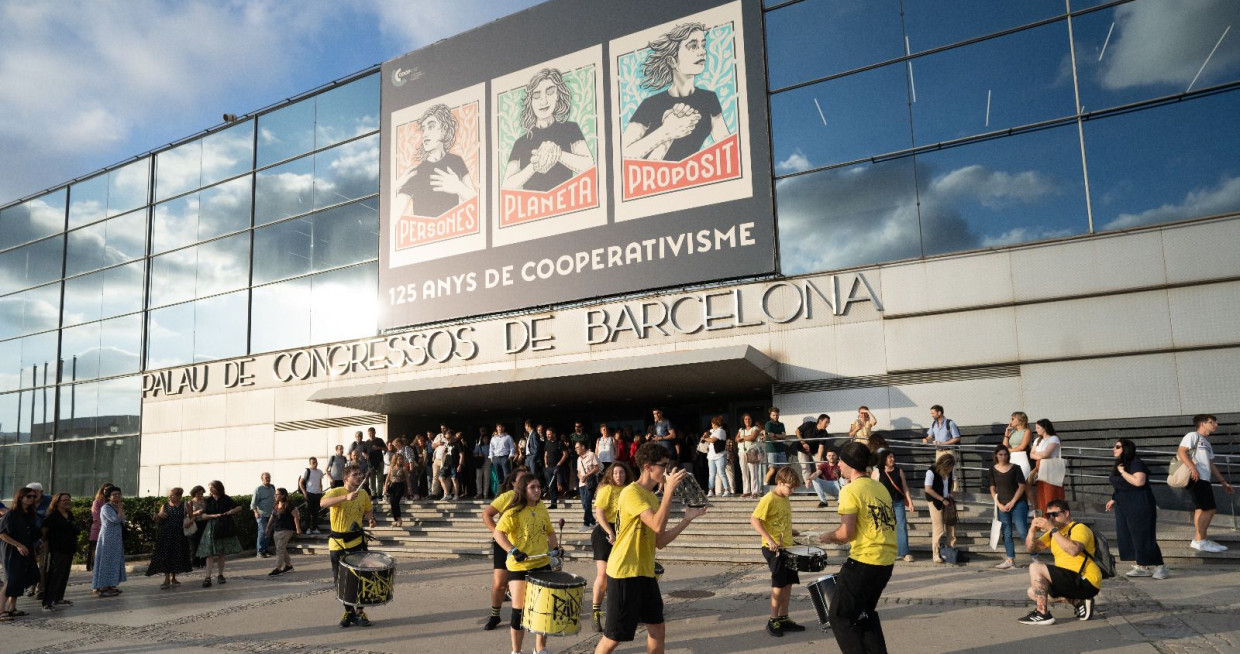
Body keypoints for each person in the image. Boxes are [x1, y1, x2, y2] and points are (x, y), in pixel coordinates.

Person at [594, 442, 706, 654]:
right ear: (647, 467)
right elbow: (656, 523)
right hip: (624, 572)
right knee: (614, 636)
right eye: (663, 465)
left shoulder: (651, 498)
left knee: (657, 628)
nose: (667, 470)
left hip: (645, 572)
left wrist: (686, 520)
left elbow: (660, 541)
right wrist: (669, 491)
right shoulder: (631, 493)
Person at [818, 441, 897, 652]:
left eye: (841, 461)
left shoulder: (850, 490)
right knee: (864, 614)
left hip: (864, 561)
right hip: (885, 561)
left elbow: (846, 534)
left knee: (839, 617)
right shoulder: (879, 487)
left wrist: (827, 536)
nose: (838, 465)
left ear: (851, 464)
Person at [622, 21, 729, 162]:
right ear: (672, 61)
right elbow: (621, 155)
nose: (702, 51)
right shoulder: (651, 104)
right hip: (652, 177)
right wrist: (666, 132)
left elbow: (727, 148)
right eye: (693, 46)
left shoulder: (708, 99)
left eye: (703, 45)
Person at [494, 473, 559, 654]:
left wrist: (555, 548)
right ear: (523, 489)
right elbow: (498, 534)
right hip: (519, 567)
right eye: (533, 487)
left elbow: (550, 531)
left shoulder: (541, 508)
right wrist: (513, 550)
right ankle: (516, 651)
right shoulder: (513, 511)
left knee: (544, 610)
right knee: (519, 611)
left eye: (539, 487)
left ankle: (540, 648)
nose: (537, 490)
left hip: (542, 564)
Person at [502, 67, 594, 191]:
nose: (543, 100)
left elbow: (589, 165)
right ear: (530, 101)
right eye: (536, 95)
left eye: (550, 91)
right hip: (532, 206)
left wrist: (558, 153)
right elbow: (507, 185)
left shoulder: (570, 129)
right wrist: (534, 166)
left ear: (558, 95)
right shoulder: (521, 143)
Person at [1018, 499, 1100, 625]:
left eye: (1055, 515)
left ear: (1066, 513)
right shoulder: (1053, 532)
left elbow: (1074, 550)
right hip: (1068, 580)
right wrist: (1032, 530)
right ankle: (1078, 601)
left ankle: (1042, 613)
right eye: (1048, 515)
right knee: (1032, 592)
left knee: (1035, 567)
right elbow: (1031, 548)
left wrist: (1052, 529)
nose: (1051, 518)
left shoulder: (1078, 528)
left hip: (1085, 579)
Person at [751, 466, 807, 637]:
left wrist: (792, 531)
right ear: (780, 483)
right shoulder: (769, 498)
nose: (793, 491)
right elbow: (754, 520)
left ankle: (783, 617)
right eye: (790, 487)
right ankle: (773, 619)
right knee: (778, 584)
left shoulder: (785, 498)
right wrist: (769, 539)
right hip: (774, 549)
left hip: (788, 547)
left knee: (788, 583)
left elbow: (779, 521)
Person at [394, 103, 476, 218]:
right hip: (424, 233)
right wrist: (395, 185)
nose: (424, 134)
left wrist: (459, 188)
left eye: (431, 126)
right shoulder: (416, 172)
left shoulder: (456, 162)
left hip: (453, 230)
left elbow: (477, 203)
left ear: (444, 130)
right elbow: (394, 215)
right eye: (423, 129)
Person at [321, 464, 377, 628]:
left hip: (357, 540)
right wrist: (345, 498)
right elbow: (323, 503)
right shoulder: (336, 491)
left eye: (360, 474)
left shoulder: (363, 493)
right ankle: (348, 610)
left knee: (362, 577)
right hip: (337, 543)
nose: (359, 477)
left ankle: (359, 611)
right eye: (355, 475)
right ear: (346, 478)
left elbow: (368, 509)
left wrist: (370, 519)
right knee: (340, 579)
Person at [1107, 439, 1166, 578]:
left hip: (1139, 504)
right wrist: (1114, 498)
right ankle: (1142, 566)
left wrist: (1122, 472)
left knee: (1143, 535)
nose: (1113, 449)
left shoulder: (1136, 463)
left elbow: (1139, 482)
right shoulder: (1120, 464)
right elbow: (1121, 485)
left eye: (1117, 446)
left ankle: (1160, 566)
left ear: (1126, 448)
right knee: (1127, 535)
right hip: (1123, 504)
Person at [481, 469, 532, 631]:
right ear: (513, 483)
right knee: (499, 583)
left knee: (527, 582)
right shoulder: (508, 496)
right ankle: (495, 615)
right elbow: (487, 514)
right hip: (505, 544)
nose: (525, 482)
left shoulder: (533, 498)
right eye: (521, 479)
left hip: (525, 544)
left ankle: (525, 614)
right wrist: (497, 533)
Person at [1178, 414, 1234, 552]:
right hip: (1196, 478)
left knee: (1201, 509)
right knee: (1210, 509)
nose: (1215, 424)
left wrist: (1222, 482)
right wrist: (1192, 468)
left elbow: (1211, 464)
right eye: (1212, 422)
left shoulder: (1207, 443)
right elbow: (1181, 452)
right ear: (1202, 423)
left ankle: (1202, 539)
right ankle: (1200, 540)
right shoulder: (1192, 436)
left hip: (1204, 478)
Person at [591, 462, 633, 633]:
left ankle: (622, 612)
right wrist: (610, 532)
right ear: (610, 475)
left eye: (621, 473)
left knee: (623, 573)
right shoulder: (607, 489)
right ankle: (595, 612)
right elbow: (599, 513)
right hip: (604, 532)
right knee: (603, 574)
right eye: (615, 473)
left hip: (623, 532)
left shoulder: (630, 490)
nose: (618, 476)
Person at [1, 487, 41, 619]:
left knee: (20, 579)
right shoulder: (11, 514)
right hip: (13, 551)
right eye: (28, 496)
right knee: (11, 580)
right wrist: (18, 545)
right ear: (20, 497)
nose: (31, 499)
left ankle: (12, 607)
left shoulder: (29, 514)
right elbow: (2, 534)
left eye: (34, 496)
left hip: (27, 550)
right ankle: (1, 610)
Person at [989, 445, 1029, 570]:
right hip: (1002, 505)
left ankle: (1035, 556)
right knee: (1006, 533)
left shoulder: (1015, 468)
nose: (1003, 457)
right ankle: (1010, 559)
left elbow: (1022, 486)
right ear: (996, 455)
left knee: (1022, 531)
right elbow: (992, 488)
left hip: (1018, 503)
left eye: (1005, 454)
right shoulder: (992, 469)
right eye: (1000, 454)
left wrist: (1012, 502)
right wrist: (999, 504)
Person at [197, 481, 242, 587]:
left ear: (218, 488)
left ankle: (220, 575)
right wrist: (213, 516)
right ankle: (207, 577)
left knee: (221, 553)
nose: (210, 490)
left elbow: (239, 507)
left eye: (212, 487)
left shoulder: (226, 498)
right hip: (211, 527)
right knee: (209, 553)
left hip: (224, 526)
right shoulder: (208, 500)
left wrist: (231, 511)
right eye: (210, 488)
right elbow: (203, 516)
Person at [146, 487, 193, 589]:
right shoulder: (165, 505)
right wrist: (158, 515)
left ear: (179, 496)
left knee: (176, 556)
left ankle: (174, 578)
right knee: (165, 556)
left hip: (179, 534)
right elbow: (158, 519)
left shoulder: (185, 505)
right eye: (169, 495)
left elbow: (191, 516)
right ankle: (166, 578)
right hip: (166, 534)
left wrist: (190, 522)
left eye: (172, 495)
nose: (169, 497)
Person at [873, 449, 914, 563]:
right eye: (889, 457)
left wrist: (910, 502)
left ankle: (904, 552)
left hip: (898, 502)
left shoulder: (899, 471)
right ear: (884, 459)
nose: (892, 459)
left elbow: (905, 487)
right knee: (885, 528)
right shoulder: (878, 472)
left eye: (893, 457)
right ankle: (886, 552)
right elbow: (872, 489)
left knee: (901, 526)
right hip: (883, 504)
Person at [39, 492, 78, 610]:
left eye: (68, 499)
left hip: (69, 548)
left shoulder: (69, 514)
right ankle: (47, 602)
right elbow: (44, 531)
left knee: (64, 574)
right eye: (64, 500)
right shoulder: (52, 515)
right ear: (57, 502)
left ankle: (59, 598)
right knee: (54, 575)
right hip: (57, 549)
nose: (67, 502)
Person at [92, 486, 126, 597]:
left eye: (119, 494)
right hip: (107, 538)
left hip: (116, 538)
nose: (117, 496)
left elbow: (123, 520)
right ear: (109, 497)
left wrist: (120, 509)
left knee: (114, 561)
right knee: (105, 562)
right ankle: (102, 587)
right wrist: (120, 509)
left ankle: (111, 584)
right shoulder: (106, 508)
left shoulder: (116, 506)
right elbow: (115, 520)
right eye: (114, 494)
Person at [924, 454, 957, 564]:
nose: (950, 470)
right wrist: (942, 499)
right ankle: (936, 554)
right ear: (944, 465)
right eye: (949, 468)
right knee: (938, 528)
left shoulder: (951, 470)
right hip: (935, 501)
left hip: (946, 500)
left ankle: (950, 550)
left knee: (951, 524)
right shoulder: (931, 471)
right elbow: (928, 489)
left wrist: (950, 493)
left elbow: (952, 482)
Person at [1031, 419, 1065, 513]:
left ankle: (1054, 516)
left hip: (1051, 469)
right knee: (1041, 493)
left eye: (1038, 427)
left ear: (1045, 428)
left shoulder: (1053, 438)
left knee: (1051, 493)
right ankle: (1043, 516)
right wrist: (1040, 454)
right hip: (1040, 467)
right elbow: (1031, 454)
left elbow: (1046, 454)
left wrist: (1038, 454)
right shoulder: (1038, 440)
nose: (1036, 429)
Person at [266, 488, 301, 576]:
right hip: (277, 529)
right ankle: (288, 565)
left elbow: (295, 516)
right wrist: (267, 527)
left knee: (280, 549)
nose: (275, 496)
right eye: (275, 495)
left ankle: (278, 568)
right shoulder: (276, 505)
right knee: (281, 548)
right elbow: (272, 516)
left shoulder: (288, 505)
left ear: (283, 495)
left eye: (277, 494)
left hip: (286, 529)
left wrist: (297, 528)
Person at [86, 482, 113, 572]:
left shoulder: (113, 503)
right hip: (98, 528)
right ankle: (91, 565)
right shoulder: (97, 502)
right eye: (105, 490)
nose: (107, 492)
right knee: (94, 548)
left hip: (110, 530)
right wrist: (103, 525)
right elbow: (96, 515)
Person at [703, 416, 733, 496]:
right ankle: (710, 490)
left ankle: (727, 489)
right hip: (711, 456)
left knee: (721, 473)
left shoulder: (721, 431)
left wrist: (705, 439)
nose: (711, 425)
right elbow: (709, 431)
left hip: (720, 455)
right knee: (712, 474)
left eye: (712, 423)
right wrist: (706, 433)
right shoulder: (714, 431)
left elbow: (712, 440)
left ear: (715, 424)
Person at [577, 441, 602, 531]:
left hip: (590, 482)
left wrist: (586, 476)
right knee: (584, 504)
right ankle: (592, 521)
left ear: (583, 447)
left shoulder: (591, 455)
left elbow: (597, 467)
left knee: (587, 503)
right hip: (581, 483)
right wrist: (581, 477)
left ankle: (586, 523)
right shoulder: (579, 459)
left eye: (577, 447)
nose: (576, 449)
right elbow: (579, 471)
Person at [298, 457, 326, 534]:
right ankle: (307, 528)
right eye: (313, 462)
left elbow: (320, 483)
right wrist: (304, 492)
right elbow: (301, 482)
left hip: (317, 494)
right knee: (308, 512)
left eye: (316, 462)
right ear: (310, 463)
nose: (315, 463)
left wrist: (321, 492)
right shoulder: (307, 471)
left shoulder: (320, 472)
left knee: (315, 512)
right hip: (309, 493)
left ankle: (314, 528)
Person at [736, 413, 762, 498]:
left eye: (749, 419)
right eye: (745, 419)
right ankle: (746, 491)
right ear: (743, 421)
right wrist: (744, 438)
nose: (747, 420)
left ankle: (755, 491)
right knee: (744, 472)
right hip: (742, 452)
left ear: (752, 420)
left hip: (752, 451)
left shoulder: (755, 428)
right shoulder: (741, 429)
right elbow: (736, 439)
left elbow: (752, 437)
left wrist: (742, 438)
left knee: (753, 472)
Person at [252, 472, 276, 558]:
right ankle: (259, 551)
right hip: (261, 515)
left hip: (271, 515)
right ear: (262, 479)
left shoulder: (273, 487)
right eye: (266, 477)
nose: (268, 479)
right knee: (262, 532)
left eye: (269, 477)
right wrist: (255, 512)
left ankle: (265, 550)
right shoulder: (258, 489)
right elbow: (253, 503)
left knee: (268, 532)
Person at [1004, 411, 1033, 478]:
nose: (1011, 421)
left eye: (1013, 419)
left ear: (1019, 420)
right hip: (1012, 457)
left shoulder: (1027, 431)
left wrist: (1009, 450)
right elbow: (1005, 446)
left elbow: (1022, 446)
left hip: (1022, 457)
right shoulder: (1012, 431)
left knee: (1023, 481)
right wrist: (1006, 434)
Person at [544, 427, 567, 509]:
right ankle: (553, 503)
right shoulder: (547, 443)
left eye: (549, 434)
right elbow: (546, 454)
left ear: (554, 434)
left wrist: (559, 463)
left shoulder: (560, 443)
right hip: (549, 467)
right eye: (547, 434)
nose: (548, 436)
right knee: (551, 486)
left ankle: (565, 494)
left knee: (560, 483)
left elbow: (565, 454)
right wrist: (546, 464)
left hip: (558, 467)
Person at [763, 407, 787, 486]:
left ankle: (781, 486)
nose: (775, 417)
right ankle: (765, 486)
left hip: (781, 449)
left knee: (782, 470)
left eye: (777, 415)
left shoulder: (781, 424)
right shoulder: (768, 424)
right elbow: (770, 436)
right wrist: (778, 436)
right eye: (773, 415)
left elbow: (784, 436)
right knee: (772, 469)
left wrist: (775, 435)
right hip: (771, 450)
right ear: (770, 415)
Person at [384, 451, 409, 527]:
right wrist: (385, 486)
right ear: (396, 459)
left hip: (400, 485)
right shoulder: (391, 467)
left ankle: (399, 519)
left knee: (396, 501)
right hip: (392, 485)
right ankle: (397, 520)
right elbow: (388, 477)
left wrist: (409, 488)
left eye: (402, 459)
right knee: (392, 503)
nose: (401, 460)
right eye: (399, 459)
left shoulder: (404, 468)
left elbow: (407, 478)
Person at [186, 485, 207, 568]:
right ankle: (195, 562)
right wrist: (197, 512)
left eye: (202, 494)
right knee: (194, 543)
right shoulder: (190, 502)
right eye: (198, 493)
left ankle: (204, 562)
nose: (200, 495)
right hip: (194, 523)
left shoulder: (205, 501)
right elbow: (188, 514)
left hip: (204, 522)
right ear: (194, 493)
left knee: (204, 542)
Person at [490, 423, 516, 489]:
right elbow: (491, 449)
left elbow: (512, 448)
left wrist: (510, 456)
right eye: (498, 427)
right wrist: (491, 457)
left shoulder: (508, 437)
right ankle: (501, 492)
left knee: (507, 476)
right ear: (496, 428)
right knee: (499, 477)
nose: (500, 428)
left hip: (505, 457)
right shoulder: (493, 438)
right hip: (496, 458)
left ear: (504, 428)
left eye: (501, 427)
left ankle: (508, 491)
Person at [366, 427, 387, 498]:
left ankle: (379, 494)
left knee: (380, 479)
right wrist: (365, 455)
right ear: (368, 434)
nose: (371, 435)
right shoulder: (367, 442)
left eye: (372, 433)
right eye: (370, 433)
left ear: (375, 433)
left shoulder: (379, 440)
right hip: (371, 463)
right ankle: (373, 494)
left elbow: (386, 448)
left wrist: (378, 448)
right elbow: (363, 451)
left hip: (379, 462)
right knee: (372, 480)